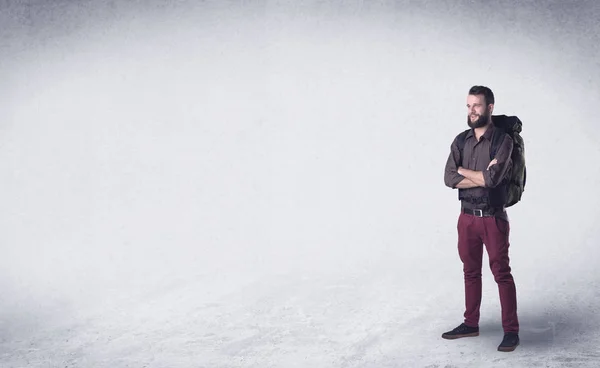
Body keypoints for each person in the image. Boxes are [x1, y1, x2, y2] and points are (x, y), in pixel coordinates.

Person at [442, 85, 520, 352]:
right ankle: (470, 323)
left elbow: (493, 179)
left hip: (493, 219)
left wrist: (466, 173)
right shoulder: (461, 140)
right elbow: (448, 177)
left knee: (501, 273)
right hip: (466, 218)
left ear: (490, 108)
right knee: (470, 272)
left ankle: (511, 330)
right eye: (468, 105)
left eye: (476, 105)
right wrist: (473, 173)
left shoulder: (503, 141)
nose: (471, 111)